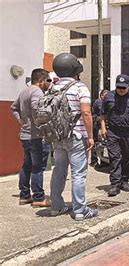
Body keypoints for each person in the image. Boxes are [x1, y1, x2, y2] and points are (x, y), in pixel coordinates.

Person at [50, 53, 98, 220]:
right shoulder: (79, 87)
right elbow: (86, 112)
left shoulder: (52, 88)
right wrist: (91, 136)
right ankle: (80, 210)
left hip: (57, 137)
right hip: (76, 136)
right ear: (74, 69)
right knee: (78, 174)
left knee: (59, 171)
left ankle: (56, 207)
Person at [100, 74, 129, 196]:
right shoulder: (108, 97)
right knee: (115, 158)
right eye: (119, 87)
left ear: (128, 86)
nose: (121, 90)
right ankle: (115, 185)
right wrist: (103, 128)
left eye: (123, 87)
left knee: (127, 157)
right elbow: (102, 115)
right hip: (113, 132)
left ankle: (125, 181)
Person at [10, 68, 52, 207]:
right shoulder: (36, 91)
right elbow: (36, 107)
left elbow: (13, 108)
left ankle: (24, 195)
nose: (49, 83)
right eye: (47, 80)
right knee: (37, 167)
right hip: (36, 136)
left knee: (27, 165)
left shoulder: (24, 91)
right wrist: (39, 121)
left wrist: (21, 121)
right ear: (40, 81)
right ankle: (39, 197)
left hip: (25, 135)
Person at [90, 89, 108, 167]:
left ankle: (104, 161)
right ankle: (94, 160)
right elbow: (100, 115)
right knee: (96, 143)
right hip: (97, 125)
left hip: (102, 125)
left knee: (103, 143)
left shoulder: (105, 103)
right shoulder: (98, 103)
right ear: (101, 95)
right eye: (105, 96)